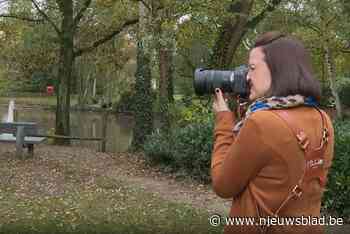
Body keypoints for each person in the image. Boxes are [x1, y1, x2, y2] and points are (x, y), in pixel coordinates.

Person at [211, 31, 335, 234]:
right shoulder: (323, 119)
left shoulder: (263, 122)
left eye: (252, 68)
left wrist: (224, 120)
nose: (247, 77)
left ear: (278, 69)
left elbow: (222, 186)